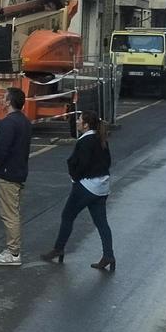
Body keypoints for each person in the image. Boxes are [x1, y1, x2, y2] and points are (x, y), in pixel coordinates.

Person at [41, 111, 115, 271]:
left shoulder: (84, 141)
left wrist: (75, 177)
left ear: (86, 125)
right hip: (102, 187)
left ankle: (59, 248)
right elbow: (107, 161)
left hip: (86, 186)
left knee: (68, 215)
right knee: (101, 223)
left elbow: (81, 164)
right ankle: (108, 255)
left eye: (80, 120)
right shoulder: (101, 139)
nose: (77, 122)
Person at [0, 87, 31, 266]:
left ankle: (13, 253)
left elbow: (0, 152)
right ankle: (12, 249)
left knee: (9, 214)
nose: (1, 100)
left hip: (8, 174)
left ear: (9, 102)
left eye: (4, 97)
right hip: (19, 171)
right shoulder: (25, 122)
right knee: (14, 211)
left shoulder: (7, 123)